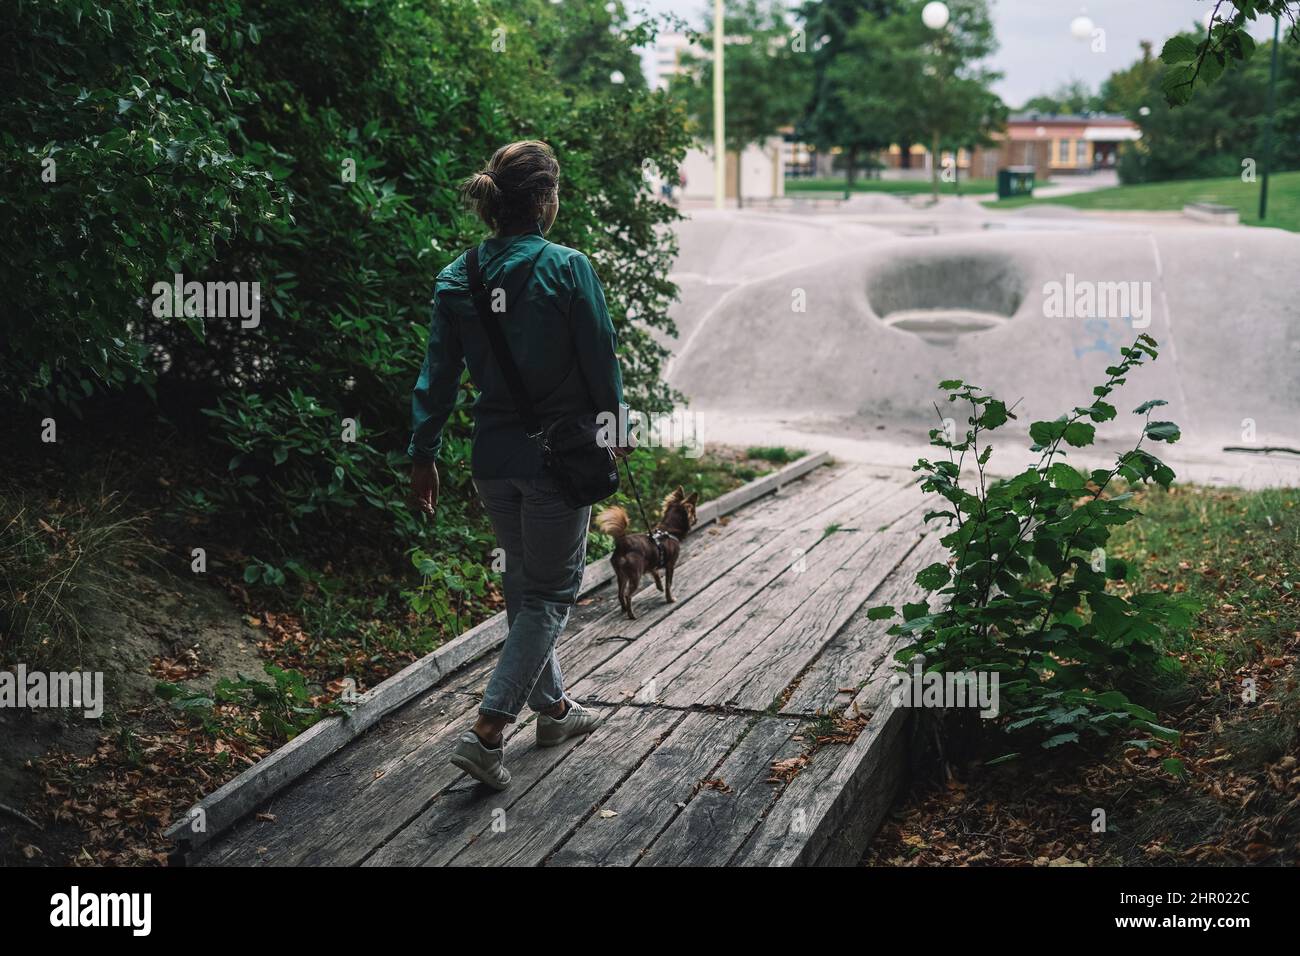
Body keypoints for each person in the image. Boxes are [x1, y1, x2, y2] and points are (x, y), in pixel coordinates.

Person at [408, 140, 627, 790]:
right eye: (555, 192)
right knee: (552, 594)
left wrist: (423, 457)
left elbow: (436, 378)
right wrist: (614, 427)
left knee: (523, 585)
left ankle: (553, 711)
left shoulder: (458, 277)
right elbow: (601, 355)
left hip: (492, 460)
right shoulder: (568, 268)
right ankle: (488, 731)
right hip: (559, 461)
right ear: (541, 200)